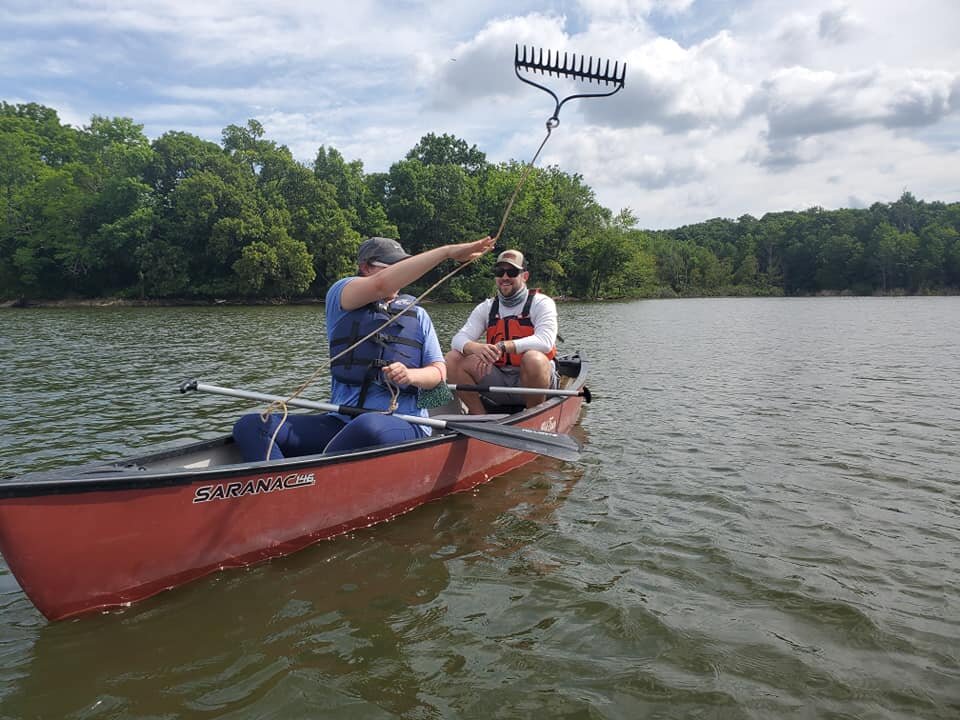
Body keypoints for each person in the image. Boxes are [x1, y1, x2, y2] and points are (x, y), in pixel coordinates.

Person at [233, 234, 496, 461]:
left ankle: (315, 479)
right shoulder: (341, 295)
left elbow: (439, 371)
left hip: (404, 423)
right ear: (365, 268)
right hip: (342, 420)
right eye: (393, 268)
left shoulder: (418, 314)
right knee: (253, 425)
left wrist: (411, 375)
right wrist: (448, 252)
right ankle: (280, 486)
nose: (400, 277)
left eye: (404, 268)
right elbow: (382, 285)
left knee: (369, 426)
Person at [445, 249, 558, 414]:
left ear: (524, 276)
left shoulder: (542, 303)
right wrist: (475, 348)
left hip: (536, 381)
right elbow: (458, 339)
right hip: (499, 379)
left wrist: (505, 346)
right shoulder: (487, 307)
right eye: (500, 272)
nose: (505, 277)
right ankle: (479, 418)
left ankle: (534, 414)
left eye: (511, 272)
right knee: (453, 358)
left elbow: (545, 341)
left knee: (533, 358)